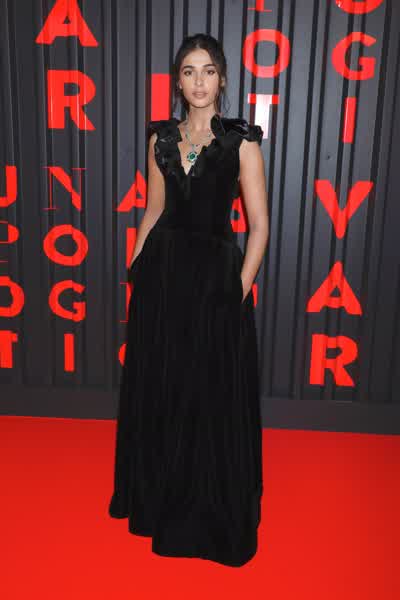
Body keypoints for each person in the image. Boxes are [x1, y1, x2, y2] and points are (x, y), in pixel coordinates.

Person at [109, 33, 269, 567]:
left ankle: (204, 513)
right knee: (164, 389)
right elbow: (154, 210)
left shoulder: (241, 142)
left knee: (207, 395)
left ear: (222, 79)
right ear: (177, 82)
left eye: (208, 71)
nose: (199, 82)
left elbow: (260, 225)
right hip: (163, 279)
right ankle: (159, 500)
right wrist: (136, 271)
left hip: (215, 281)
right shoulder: (161, 139)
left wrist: (238, 289)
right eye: (188, 71)